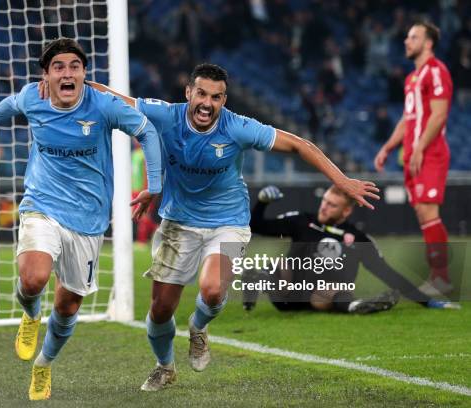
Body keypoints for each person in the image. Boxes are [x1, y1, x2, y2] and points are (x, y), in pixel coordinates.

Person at [41, 63, 380, 391]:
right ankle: (165, 367)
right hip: (178, 221)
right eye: (201, 94)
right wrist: (68, 84)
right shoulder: (165, 114)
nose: (206, 103)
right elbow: (116, 99)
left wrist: (343, 180)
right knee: (160, 311)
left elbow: (297, 144)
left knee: (214, 289)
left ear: (224, 101)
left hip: (228, 221)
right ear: (189, 92)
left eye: (215, 97)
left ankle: (198, 328)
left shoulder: (237, 127)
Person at [0, 37, 162, 400]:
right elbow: (9, 105)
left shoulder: (103, 105)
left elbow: (147, 131)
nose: (67, 73)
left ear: (84, 73)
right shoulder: (32, 97)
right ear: (46, 76)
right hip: (42, 203)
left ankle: (43, 365)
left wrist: (155, 185)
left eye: (74, 67)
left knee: (68, 305)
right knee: (33, 278)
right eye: (58, 67)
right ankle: (31, 314)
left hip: (87, 218)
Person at [244, 185, 460, 313]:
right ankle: (256, 279)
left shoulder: (357, 238)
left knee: (333, 291)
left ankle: (356, 306)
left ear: (346, 212)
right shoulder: (302, 221)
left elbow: (387, 273)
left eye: (332, 205)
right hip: (287, 294)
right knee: (279, 265)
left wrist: (427, 301)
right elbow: (257, 226)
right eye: (325, 201)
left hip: (320, 298)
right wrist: (262, 203)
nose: (324, 207)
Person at [374, 21, 453, 296]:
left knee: (429, 212)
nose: (407, 41)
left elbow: (439, 114)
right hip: (412, 155)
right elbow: (408, 120)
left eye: (413, 37)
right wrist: (387, 147)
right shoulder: (412, 79)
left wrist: (419, 147)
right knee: (422, 213)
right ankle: (438, 276)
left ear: (428, 43)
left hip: (429, 153)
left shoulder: (437, 71)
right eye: (407, 37)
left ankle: (441, 278)